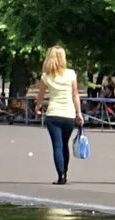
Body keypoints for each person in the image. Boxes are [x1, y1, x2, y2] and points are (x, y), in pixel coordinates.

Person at [35, 46, 82, 185]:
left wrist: (37, 107)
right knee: (64, 144)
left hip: (53, 114)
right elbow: (75, 94)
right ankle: (65, 173)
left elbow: (41, 95)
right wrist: (78, 113)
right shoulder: (71, 74)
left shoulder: (46, 76)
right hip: (68, 114)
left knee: (57, 145)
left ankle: (61, 175)